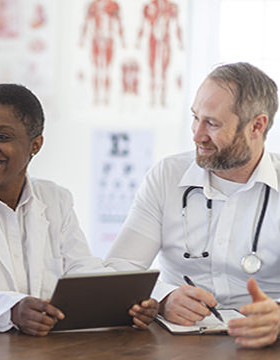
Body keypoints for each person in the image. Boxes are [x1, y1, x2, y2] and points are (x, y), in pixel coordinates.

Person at [0, 83, 158, 336]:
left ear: (35, 145)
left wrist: (129, 304)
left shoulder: (55, 200)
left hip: (26, 348)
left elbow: (80, 270)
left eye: (2, 137)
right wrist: (11, 310)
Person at [105, 62, 280, 348]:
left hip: (264, 346)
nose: (197, 135)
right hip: (178, 345)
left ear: (257, 126)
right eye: (195, 118)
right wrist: (163, 298)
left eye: (212, 123)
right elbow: (118, 269)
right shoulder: (167, 176)